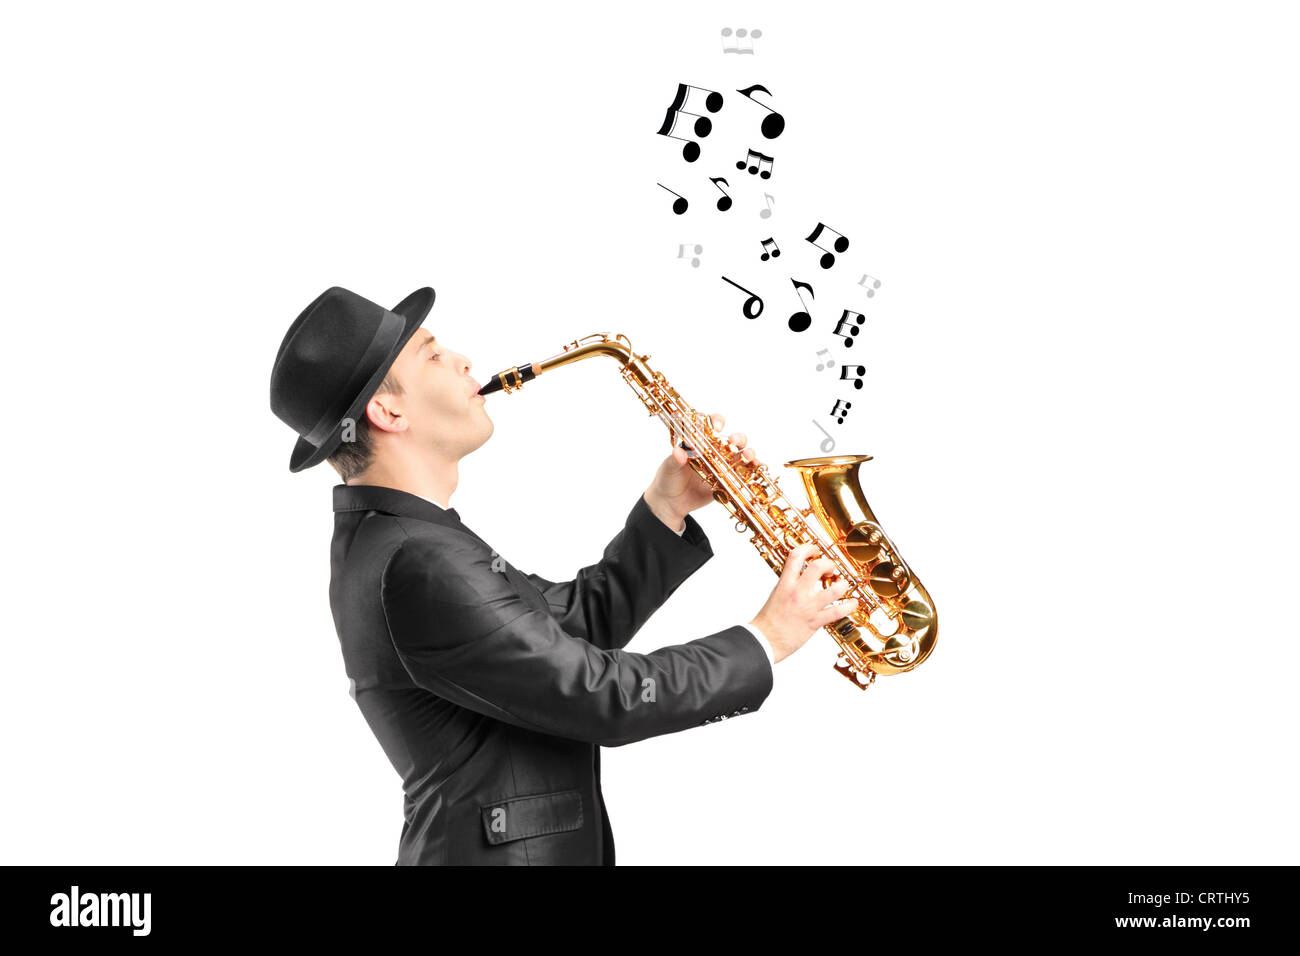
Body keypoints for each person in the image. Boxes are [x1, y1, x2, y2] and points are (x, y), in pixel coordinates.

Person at [269, 285, 855, 865]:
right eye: (431, 353)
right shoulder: (417, 560)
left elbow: (568, 628)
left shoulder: (411, 537)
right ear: (387, 411)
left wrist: (665, 506)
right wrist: (769, 637)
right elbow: (604, 697)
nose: (463, 360)